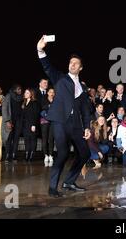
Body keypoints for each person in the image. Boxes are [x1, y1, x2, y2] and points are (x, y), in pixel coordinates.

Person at [37, 36, 92, 197]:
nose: (72, 64)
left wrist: (87, 127)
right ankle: (52, 187)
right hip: (60, 121)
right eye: (71, 62)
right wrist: (40, 50)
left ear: (81, 68)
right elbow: (47, 67)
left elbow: (85, 111)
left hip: (75, 125)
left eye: (76, 63)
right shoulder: (60, 78)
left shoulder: (82, 88)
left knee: (85, 153)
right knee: (63, 153)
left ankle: (69, 181)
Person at [19, 88, 40, 162]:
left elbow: (36, 114)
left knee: (33, 140)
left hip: (32, 124)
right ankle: (27, 154)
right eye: (25, 92)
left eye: (27, 93)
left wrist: (34, 124)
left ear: (31, 94)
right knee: (26, 140)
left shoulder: (35, 102)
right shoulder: (24, 103)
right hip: (25, 124)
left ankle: (32, 156)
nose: (25, 94)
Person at [4, 84, 23, 162]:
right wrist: (7, 121)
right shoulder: (8, 96)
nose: (20, 91)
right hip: (10, 120)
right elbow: (5, 108)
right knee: (9, 138)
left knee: (16, 138)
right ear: (14, 89)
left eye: (20, 89)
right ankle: (7, 155)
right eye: (18, 89)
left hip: (19, 120)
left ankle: (14, 155)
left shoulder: (22, 97)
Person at [41, 88, 55, 164]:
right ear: (48, 93)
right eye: (50, 92)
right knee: (44, 138)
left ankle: (51, 155)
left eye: (53, 92)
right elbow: (42, 108)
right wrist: (49, 106)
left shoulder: (56, 101)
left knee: (51, 138)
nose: (52, 93)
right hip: (45, 120)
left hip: (53, 121)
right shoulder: (44, 100)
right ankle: (45, 155)